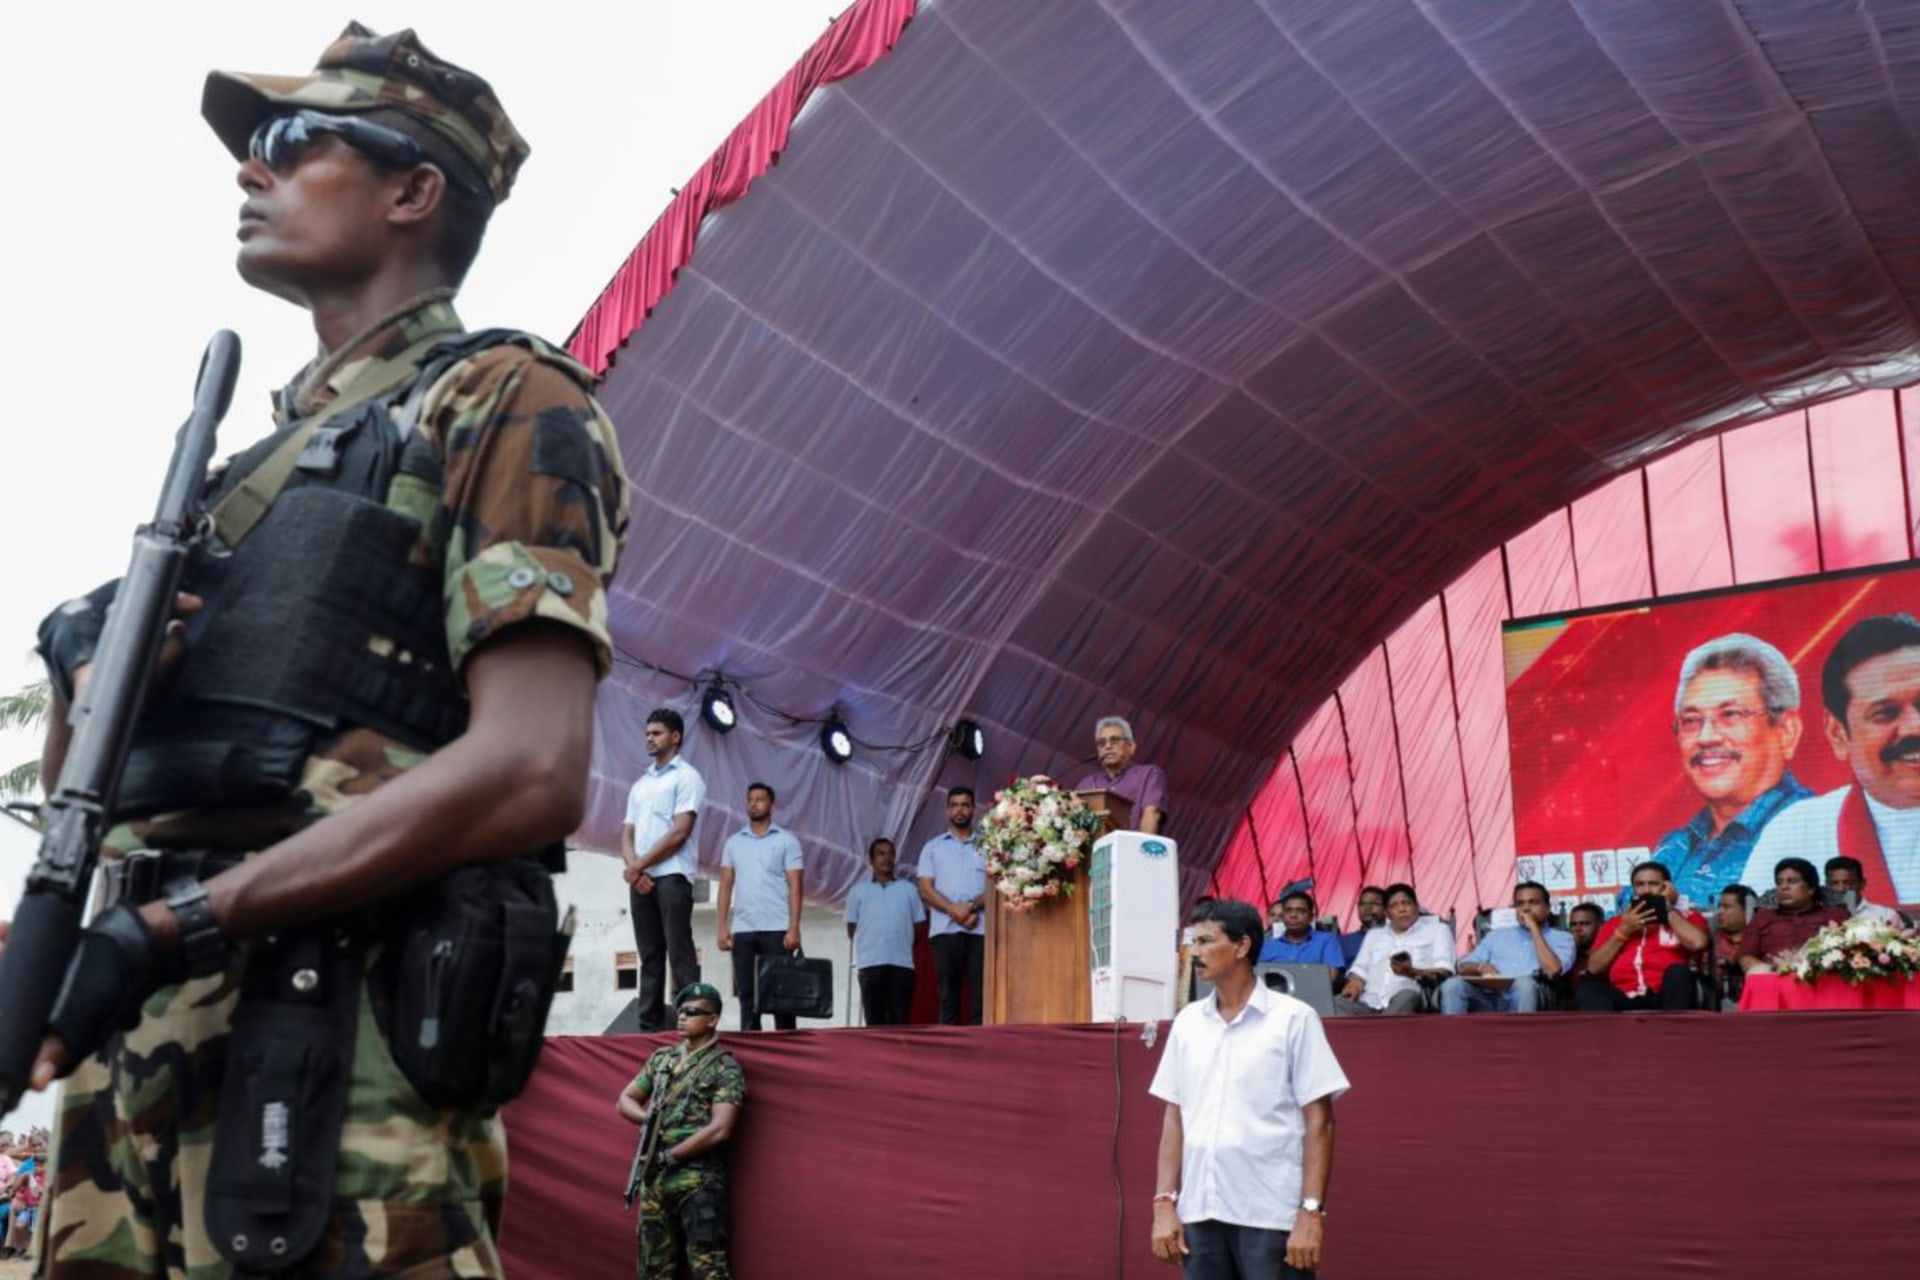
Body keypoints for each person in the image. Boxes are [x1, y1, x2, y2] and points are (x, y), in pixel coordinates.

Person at [24, 24, 627, 1277]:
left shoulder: (504, 399)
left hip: (325, 1044)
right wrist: (94, 684)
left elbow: (533, 768)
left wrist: (177, 925)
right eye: (252, 151)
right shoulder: (238, 475)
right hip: (130, 1047)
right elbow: (95, 793)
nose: (252, 172)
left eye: (293, 144)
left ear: (415, 193)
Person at [1149, 898, 1347, 1278]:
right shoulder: (1188, 1022)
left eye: (1207, 941)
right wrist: (1163, 1204)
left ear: (1242, 946)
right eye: (1193, 942)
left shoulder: (1294, 1019)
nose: (1196, 952)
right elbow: (1174, 1119)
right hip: (1200, 1212)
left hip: (1270, 1213)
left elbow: (1320, 1123)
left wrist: (1311, 1212)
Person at [1741, 614, 1920, 905]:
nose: (1914, 727)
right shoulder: (1798, 830)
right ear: (1837, 734)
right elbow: (1757, 934)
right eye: (1885, 713)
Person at [1637, 634, 1810, 910]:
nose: (1706, 737)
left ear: (1786, 730)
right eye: (1691, 721)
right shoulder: (1675, 846)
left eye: (1731, 715)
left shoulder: (1812, 827)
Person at [617, 983, 746, 1280]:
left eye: (692, 1012)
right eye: (680, 1011)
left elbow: (720, 1129)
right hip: (655, 1179)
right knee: (653, 1269)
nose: (682, 1017)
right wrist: (649, 1118)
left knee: (708, 1269)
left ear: (712, 1019)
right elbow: (625, 1100)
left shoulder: (724, 1067)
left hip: (697, 1180)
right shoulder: (662, 1060)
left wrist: (671, 1155)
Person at [625, 708, 707, 1032]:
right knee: (649, 955)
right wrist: (635, 870)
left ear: (675, 737)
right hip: (641, 879)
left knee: (680, 953)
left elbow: (679, 832)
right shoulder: (640, 784)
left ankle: (692, 1025)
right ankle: (648, 1027)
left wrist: (638, 866)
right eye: (647, 733)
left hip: (673, 876)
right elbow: (626, 833)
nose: (649, 738)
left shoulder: (688, 777)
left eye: (656, 733)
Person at [715, 781, 803, 1032]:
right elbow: (725, 886)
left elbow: (796, 886)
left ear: (772, 805)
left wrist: (794, 927)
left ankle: (787, 1055)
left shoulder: (787, 840)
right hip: (743, 930)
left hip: (777, 928)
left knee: (782, 997)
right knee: (747, 997)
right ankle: (750, 1055)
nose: (754, 803)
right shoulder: (733, 843)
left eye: (760, 799)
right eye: (750, 799)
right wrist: (722, 927)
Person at [1576, 863, 1709, 1011]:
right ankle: (1610, 1034)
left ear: (1667, 887)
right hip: (1624, 995)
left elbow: (1698, 943)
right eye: (1640, 885)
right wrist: (1624, 931)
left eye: (1653, 884)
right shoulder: (1616, 923)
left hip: (1666, 995)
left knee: (1679, 972)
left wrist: (1667, 909)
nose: (1646, 890)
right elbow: (1594, 968)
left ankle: (1672, 1033)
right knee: (1588, 987)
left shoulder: (1687, 917)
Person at [1437, 881, 1574, 1015]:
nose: (1526, 908)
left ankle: (1523, 1037)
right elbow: (1463, 967)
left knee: (1524, 984)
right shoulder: (1497, 935)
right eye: (1520, 904)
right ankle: (1453, 1036)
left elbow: (1553, 970)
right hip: (1489, 996)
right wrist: (1480, 967)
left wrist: (1533, 928)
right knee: (1452, 985)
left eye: (1533, 902)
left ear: (1548, 908)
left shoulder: (1562, 938)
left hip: (1529, 996)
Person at [917, 787, 988, 1024]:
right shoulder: (932, 847)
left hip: (981, 931)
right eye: (955, 805)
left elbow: (999, 886)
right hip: (945, 931)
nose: (960, 810)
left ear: (974, 809)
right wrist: (953, 910)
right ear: (947, 810)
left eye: (965, 805)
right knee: (948, 996)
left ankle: (982, 1052)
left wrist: (970, 906)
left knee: (982, 996)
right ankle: (950, 1055)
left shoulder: (989, 846)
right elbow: (925, 888)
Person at [1332, 884, 1453, 1015]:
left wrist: (1412, 972)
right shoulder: (1374, 934)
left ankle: (1384, 1032)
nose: (1401, 909)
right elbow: (1360, 969)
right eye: (1394, 906)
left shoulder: (1438, 930)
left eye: (1406, 903)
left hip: (1408, 998)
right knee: (1334, 1003)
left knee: (1406, 996)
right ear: (1386, 913)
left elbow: (1445, 972)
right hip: (1368, 1001)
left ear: (1417, 907)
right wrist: (1356, 982)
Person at [846, 837, 926, 1025]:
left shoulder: (909, 890)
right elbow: (851, 929)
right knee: (874, 1022)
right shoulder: (858, 891)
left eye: (890, 853)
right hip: (870, 965)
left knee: (900, 1022)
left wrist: (901, 943)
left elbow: (918, 927)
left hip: (902, 965)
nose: (886, 858)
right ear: (871, 860)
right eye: (881, 854)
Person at [1737, 858, 1851, 972]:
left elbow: (1853, 955)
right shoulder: (1762, 918)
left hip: (1823, 981)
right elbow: (1745, 957)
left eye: (1792, 881)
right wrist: (1776, 974)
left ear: (1811, 889)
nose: (1783, 887)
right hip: (1774, 981)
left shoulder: (1837, 915)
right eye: (1779, 882)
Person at [1072, 716, 1169, 834]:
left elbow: (1152, 814)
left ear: (1131, 747)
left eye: (1114, 740)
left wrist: (1140, 851)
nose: (1107, 746)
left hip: (1133, 849)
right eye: (1102, 743)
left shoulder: (1149, 774)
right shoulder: (1086, 784)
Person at [1257, 891, 1344, 977]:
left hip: (1314, 991)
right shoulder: (1268, 946)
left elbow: (1330, 978)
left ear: (1311, 917)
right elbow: (1259, 978)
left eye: (1301, 911)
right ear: (1283, 916)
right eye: (1288, 910)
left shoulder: (1327, 941)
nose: (1293, 915)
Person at [1823, 855, 1901, 925]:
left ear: (1862, 884)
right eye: (1834, 883)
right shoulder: (1819, 918)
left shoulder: (1885, 915)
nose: (1841, 889)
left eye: (1847, 883)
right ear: (1826, 884)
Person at [1711, 885, 1755, 1005]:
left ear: (1747, 910)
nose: (1720, 912)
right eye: (1719, 906)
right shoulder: (1711, 938)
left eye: (1727, 907)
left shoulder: (1760, 941)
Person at [1566, 902, 1605, 1000]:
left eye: (1585, 924)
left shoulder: (1610, 953)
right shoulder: (1566, 954)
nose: (1578, 929)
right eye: (1573, 924)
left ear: (1601, 926)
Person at [1338, 886, 1385, 968]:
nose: (1367, 908)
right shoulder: (1342, 941)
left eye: (1374, 903)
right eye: (1362, 903)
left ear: (1387, 908)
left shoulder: (1397, 938)